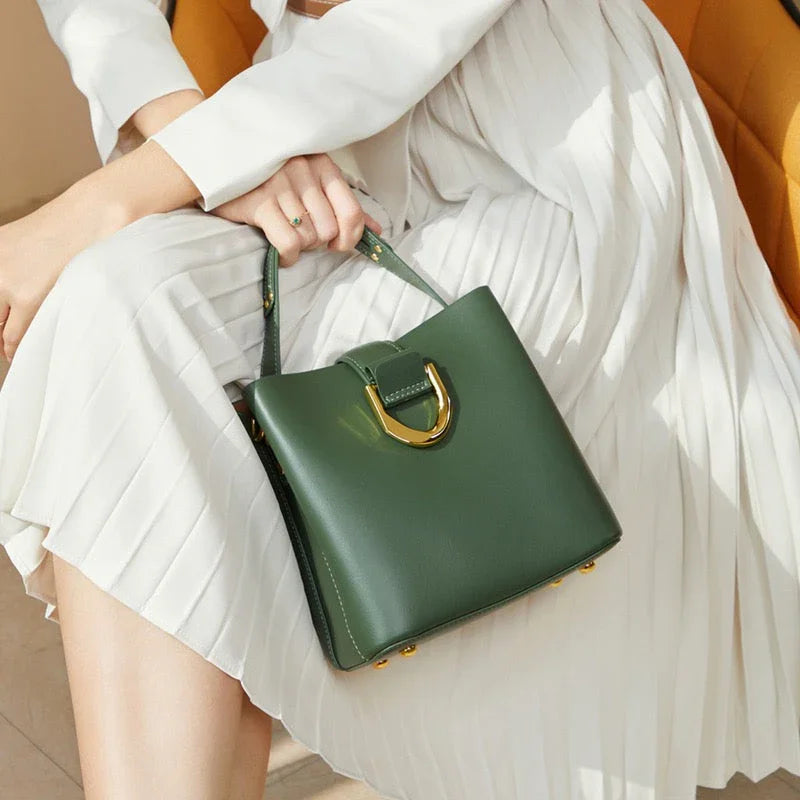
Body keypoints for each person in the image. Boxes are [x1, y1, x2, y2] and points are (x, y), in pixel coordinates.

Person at [1, 0, 799, 797]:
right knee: (112, 305)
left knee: (352, 440)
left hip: (533, 133)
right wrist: (204, 137)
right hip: (309, 122)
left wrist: (104, 201)